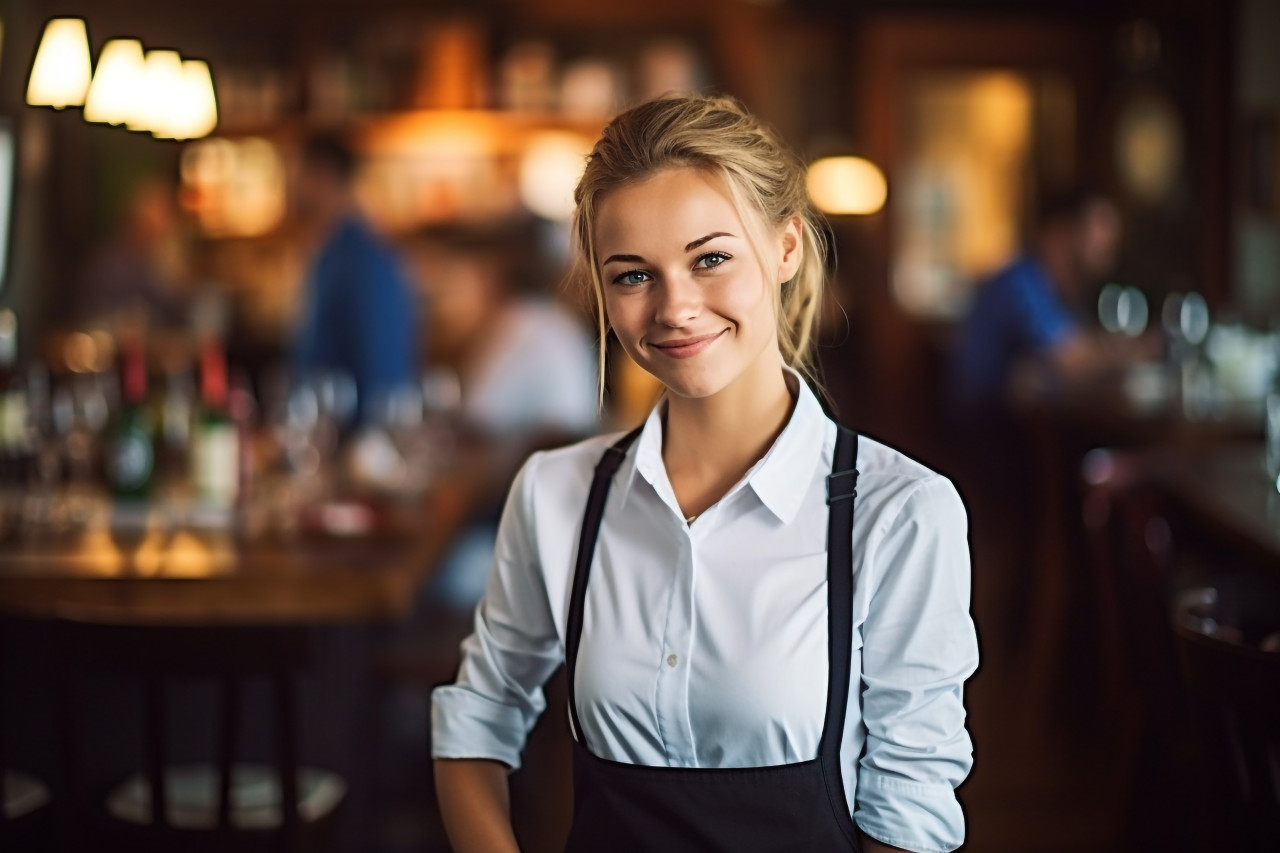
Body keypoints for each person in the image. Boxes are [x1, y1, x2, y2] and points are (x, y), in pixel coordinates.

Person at [431, 95, 977, 853]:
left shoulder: (903, 512)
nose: (675, 307)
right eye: (632, 276)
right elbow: (478, 715)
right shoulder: (557, 493)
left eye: (710, 258)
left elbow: (910, 815)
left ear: (785, 249)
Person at [950, 187, 1125, 420]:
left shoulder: (1063, 290)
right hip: (981, 441)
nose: (1109, 242)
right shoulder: (1021, 283)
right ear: (1060, 232)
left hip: (1012, 432)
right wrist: (1146, 349)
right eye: (1100, 227)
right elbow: (1072, 361)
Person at [290, 133, 417, 424]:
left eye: (299, 173)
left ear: (323, 176)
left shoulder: (364, 259)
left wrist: (367, 446)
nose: (292, 185)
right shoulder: (332, 252)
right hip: (325, 432)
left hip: (349, 442)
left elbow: (381, 368)